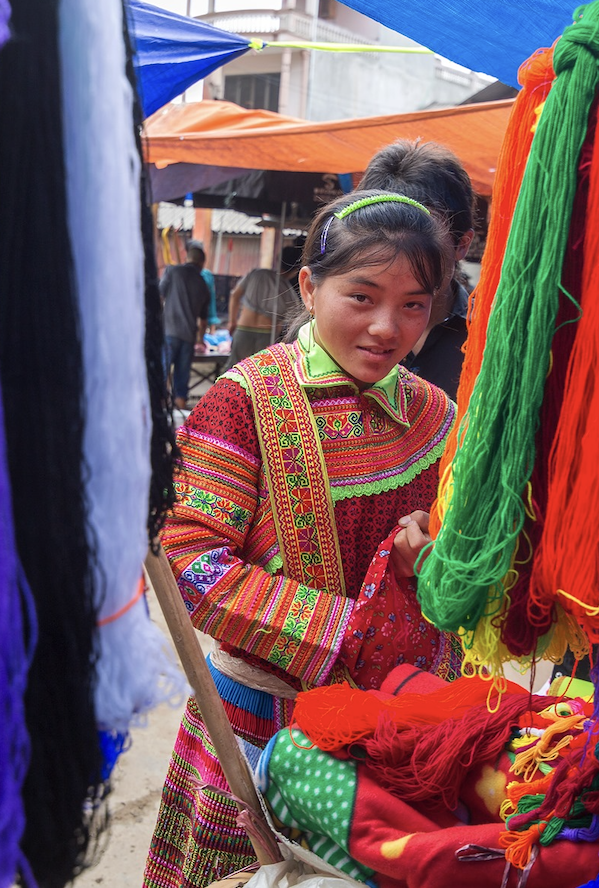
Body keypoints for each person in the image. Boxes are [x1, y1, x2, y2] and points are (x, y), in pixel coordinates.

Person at [144, 190, 463, 888]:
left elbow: (463, 555)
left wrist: (432, 556)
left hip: (398, 725)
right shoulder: (247, 398)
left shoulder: (435, 413)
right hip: (257, 724)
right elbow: (190, 559)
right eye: (363, 296)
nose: (388, 327)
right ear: (309, 286)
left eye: (414, 304)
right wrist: (347, 631)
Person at [360, 140, 476, 398]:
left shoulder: (491, 338)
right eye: (381, 236)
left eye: (425, 237)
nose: (400, 258)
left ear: (461, 244)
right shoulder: (327, 335)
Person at [160, 240, 210, 410]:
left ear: (187, 258)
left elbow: (159, 297)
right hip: (188, 337)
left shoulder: (173, 272)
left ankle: (159, 411)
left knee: (162, 373)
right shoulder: (203, 285)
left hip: (169, 332)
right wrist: (200, 339)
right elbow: (203, 321)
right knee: (182, 380)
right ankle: (179, 413)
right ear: (202, 263)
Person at [225, 267, 299, 365]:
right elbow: (294, 315)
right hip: (267, 333)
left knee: (235, 370)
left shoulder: (255, 274)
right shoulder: (285, 287)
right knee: (262, 372)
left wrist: (232, 321)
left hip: (244, 328)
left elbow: (235, 295)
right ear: (294, 271)